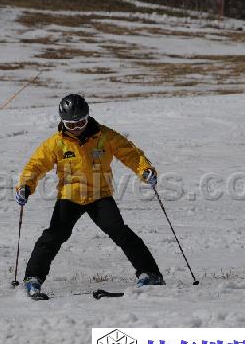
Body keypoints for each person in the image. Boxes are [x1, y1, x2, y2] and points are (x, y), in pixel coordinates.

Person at [15, 94, 164, 296]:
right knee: (54, 236)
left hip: (99, 194)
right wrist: (25, 186)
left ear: (87, 118)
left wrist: (145, 170)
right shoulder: (56, 143)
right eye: (70, 125)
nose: (76, 128)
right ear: (62, 122)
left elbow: (130, 153)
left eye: (80, 123)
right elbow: (36, 165)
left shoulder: (105, 136)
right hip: (70, 196)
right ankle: (32, 278)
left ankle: (150, 273)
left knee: (119, 231)